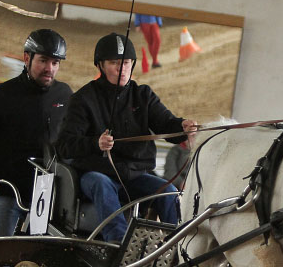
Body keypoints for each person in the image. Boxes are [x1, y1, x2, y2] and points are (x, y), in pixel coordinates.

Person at [56, 33, 198, 243]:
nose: (122, 69)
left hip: (134, 175)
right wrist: (96, 143)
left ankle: (176, 246)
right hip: (95, 174)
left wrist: (182, 126)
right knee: (102, 185)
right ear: (101, 66)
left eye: (127, 63)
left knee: (168, 192)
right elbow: (65, 146)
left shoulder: (143, 95)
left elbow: (166, 123)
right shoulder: (83, 99)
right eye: (115, 63)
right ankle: (120, 244)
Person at [0, 29, 72, 238]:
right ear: (27, 58)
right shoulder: (0, 96)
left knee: (39, 261)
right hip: (6, 192)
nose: (49, 68)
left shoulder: (65, 95)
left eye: (55, 63)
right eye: (43, 61)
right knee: (2, 258)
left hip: (46, 196)